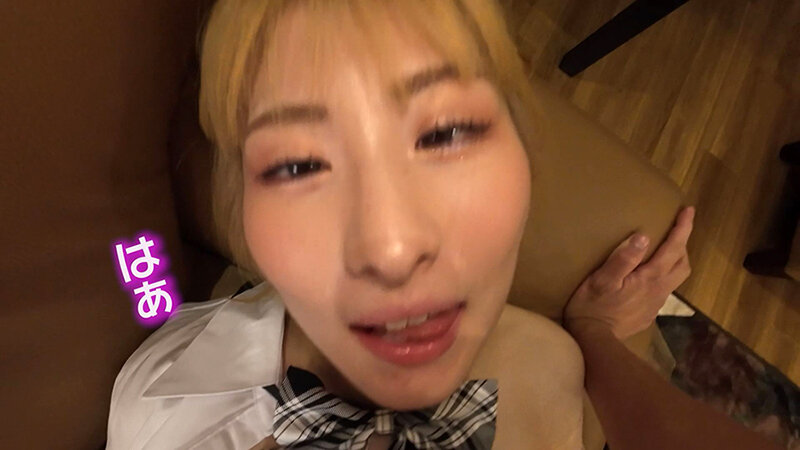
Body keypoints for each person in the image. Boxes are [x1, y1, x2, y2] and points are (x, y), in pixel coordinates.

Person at [105, 0, 781, 449]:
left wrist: (597, 340)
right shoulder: (161, 407)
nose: (393, 250)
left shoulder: (545, 360)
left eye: (445, 132)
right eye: (298, 164)